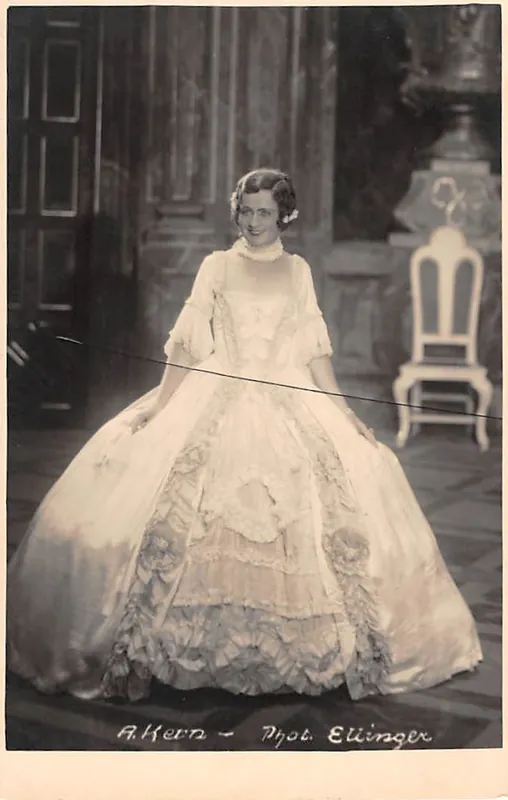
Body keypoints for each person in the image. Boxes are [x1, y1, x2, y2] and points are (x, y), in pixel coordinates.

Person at [7, 168, 481, 702]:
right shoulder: (216, 266)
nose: (254, 223)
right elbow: (187, 344)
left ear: (284, 217)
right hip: (217, 389)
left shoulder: (298, 271)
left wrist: (346, 413)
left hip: (287, 393)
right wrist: (161, 407)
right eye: (247, 212)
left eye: (265, 213)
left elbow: (315, 351)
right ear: (237, 212)